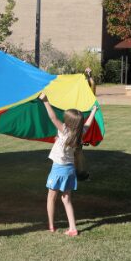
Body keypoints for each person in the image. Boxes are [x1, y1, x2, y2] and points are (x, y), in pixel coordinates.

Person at [38, 93, 98, 236]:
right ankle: (73, 228)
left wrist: (46, 101)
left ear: (68, 124)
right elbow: (87, 125)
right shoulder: (79, 133)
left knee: (51, 197)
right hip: (70, 170)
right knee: (66, 199)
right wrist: (94, 111)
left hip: (58, 169)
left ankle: (51, 225)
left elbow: (52, 117)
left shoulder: (64, 131)